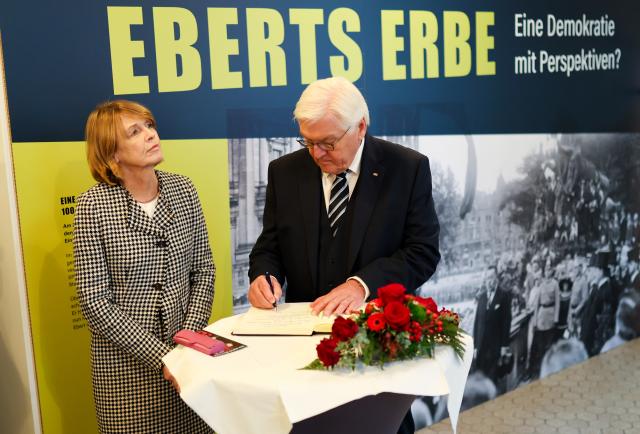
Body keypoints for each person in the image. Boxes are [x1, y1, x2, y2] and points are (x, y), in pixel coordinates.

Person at [248, 76, 441, 433]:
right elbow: (269, 246)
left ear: (361, 127)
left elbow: (422, 252)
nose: (316, 154)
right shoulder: (284, 172)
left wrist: (361, 284)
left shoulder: (407, 169)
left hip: (377, 350)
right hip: (304, 355)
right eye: (308, 142)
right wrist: (263, 275)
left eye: (327, 143)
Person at [74, 100, 215, 433]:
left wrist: (185, 344)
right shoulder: (94, 206)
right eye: (134, 132)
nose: (151, 135)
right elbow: (95, 302)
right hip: (127, 374)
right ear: (113, 155)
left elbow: (203, 271)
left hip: (189, 362)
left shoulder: (184, 189)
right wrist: (164, 357)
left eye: (149, 126)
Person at [472, 266, 513, 387]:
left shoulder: (504, 296)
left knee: (493, 380)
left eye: (491, 277)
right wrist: (475, 346)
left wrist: (504, 346)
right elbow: (477, 322)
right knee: (482, 381)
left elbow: (507, 321)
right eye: (487, 278)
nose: (489, 280)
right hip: (481, 348)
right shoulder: (482, 297)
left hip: (495, 347)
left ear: (496, 278)